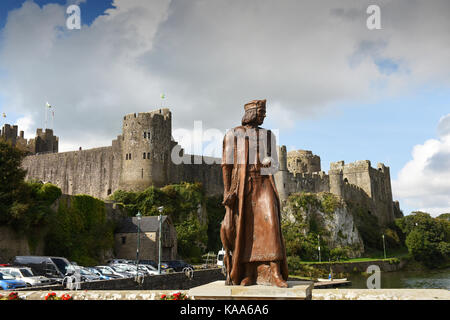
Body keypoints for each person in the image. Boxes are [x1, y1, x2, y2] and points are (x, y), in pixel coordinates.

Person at [220, 99, 288, 287]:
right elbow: (226, 164)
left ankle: (275, 271)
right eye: (261, 113)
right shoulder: (234, 134)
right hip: (244, 185)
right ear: (251, 113)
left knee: (271, 222)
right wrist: (227, 191)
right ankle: (249, 273)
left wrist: (269, 164)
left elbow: (275, 164)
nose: (264, 116)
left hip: (264, 182)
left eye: (264, 113)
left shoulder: (268, 135)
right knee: (247, 228)